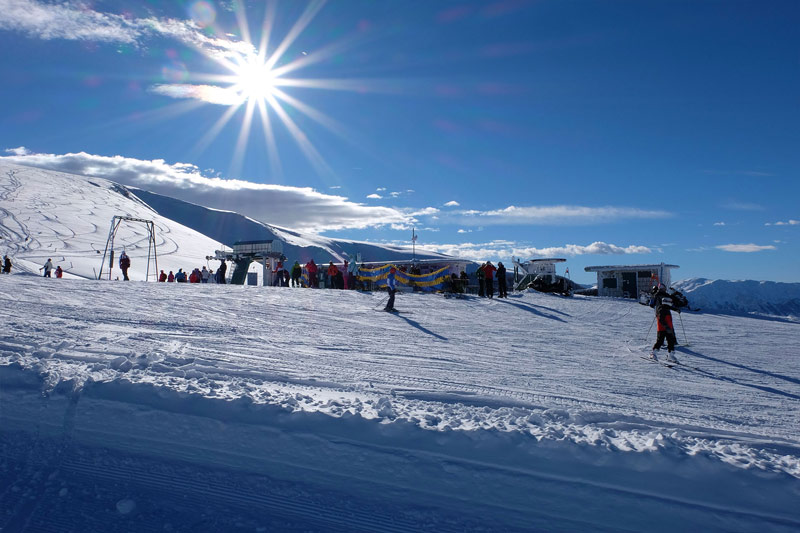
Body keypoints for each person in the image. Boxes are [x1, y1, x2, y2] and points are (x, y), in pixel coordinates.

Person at [650, 284, 678, 363]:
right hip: (663, 325)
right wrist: (666, 326)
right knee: (660, 339)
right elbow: (661, 317)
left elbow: (669, 306)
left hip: (668, 323)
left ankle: (671, 355)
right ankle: (653, 353)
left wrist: (675, 309)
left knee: (671, 339)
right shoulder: (661, 307)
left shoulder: (666, 307)